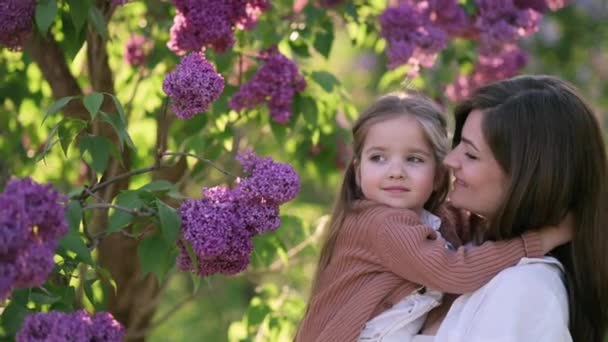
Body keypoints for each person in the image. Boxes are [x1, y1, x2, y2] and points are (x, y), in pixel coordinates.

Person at [294, 91, 571, 342]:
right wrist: (537, 241)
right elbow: (455, 270)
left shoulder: (437, 219)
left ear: (439, 176)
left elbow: (471, 228)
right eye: (378, 158)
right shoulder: (381, 225)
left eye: (414, 159)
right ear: (357, 170)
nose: (395, 171)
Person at [420, 75, 608, 342]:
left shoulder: (525, 290)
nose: (450, 160)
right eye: (458, 143)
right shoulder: (464, 255)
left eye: (471, 155)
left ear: (529, 179)